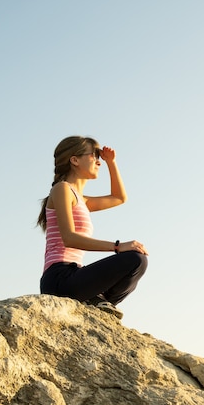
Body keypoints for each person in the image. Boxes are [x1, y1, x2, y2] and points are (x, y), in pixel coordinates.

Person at [37, 136, 148, 319]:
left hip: (75, 273)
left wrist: (111, 163)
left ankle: (99, 301)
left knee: (140, 260)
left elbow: (119, 197)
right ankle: (96, 300)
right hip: (59, 278)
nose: (99, 161)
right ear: (74, 160)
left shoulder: (83, 200)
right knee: (134, 258)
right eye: (94, 156)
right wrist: (117, 247)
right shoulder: (62, 189)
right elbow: (69, 238)